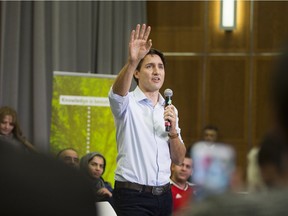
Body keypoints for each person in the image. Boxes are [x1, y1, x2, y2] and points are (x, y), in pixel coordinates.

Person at [108, 23, 186, 216]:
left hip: (164, 196)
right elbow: (117, 94)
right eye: (149, 66)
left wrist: (174, 132)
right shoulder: (127, 103)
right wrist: (133, 61)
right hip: (132, 197)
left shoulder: (169, 109)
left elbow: (179, 158)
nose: (156, 71)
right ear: (136, 73)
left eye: (160, 67)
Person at [0, 138, 97, 216]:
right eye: (67, 159)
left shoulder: (82, 187)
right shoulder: (41, 185)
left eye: (75, 160)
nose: (72, 162)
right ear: (57, 161)